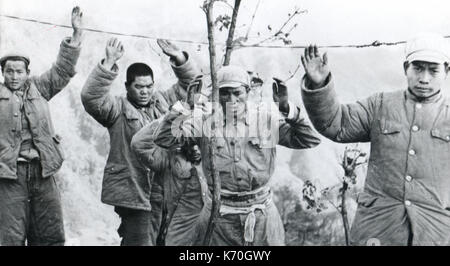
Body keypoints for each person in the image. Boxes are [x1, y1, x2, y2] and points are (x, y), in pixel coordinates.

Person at [300, 33, 450, 245]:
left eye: (433, 70)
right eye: (417, 68)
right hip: (377, 230)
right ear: (405, 68)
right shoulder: (380, 105)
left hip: (436, 234)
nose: (424, 78)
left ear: (447, 71)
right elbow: (336, 124)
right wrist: (319, 84)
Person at [153, 65, 321, 246]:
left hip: (261, 216)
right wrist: (186, 107)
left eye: (237, 93)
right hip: (219, 216)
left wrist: (287, 109)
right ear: (217, 95)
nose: (231, 99)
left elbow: (309, 139)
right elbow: (164, 138)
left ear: (247, 92)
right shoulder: (204, 123)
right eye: (225, 93)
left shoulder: (265, 121)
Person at [80, 37, 197, 245]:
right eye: (139, 87)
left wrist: (179, 58)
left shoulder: (163, 101)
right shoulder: (116, 109)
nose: (145, 91)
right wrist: (108, 62)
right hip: (134, 193)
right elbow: (91, 98)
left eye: (149, 86)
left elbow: (192, 88)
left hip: (165, 190)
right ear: (127, 86)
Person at [0, 6, 83, 246]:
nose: (14, 76)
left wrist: (76, 35)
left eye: (19, 71)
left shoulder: (39, 88)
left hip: (43, 172)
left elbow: (63, 70)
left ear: (28, 72)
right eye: (9, 72)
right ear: (3, 74)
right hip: (9, 176)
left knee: (49, 235)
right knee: (11, 238)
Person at [131, 119, 211, 246]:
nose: (195, 149)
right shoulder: (170, 158)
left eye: (199, 143)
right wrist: (171, 118)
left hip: (209, 230)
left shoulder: (214, 160)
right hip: (177, 232)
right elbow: (139, 144)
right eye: (192, 142)